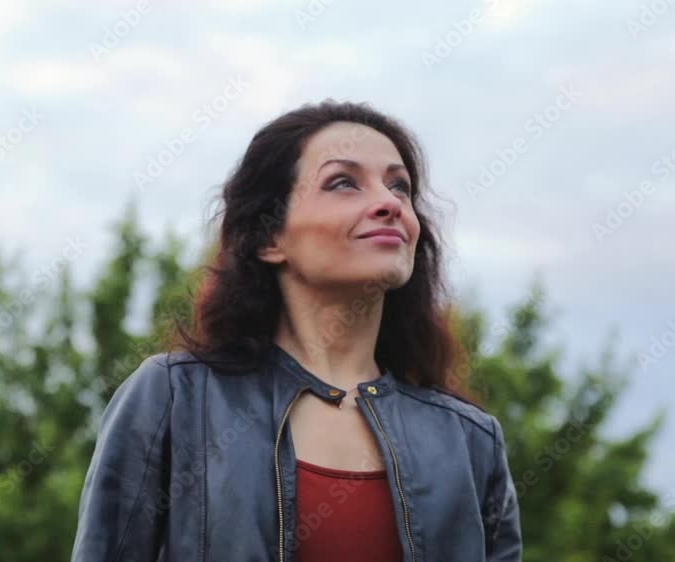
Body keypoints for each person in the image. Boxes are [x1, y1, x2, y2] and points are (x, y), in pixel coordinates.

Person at [70, 99, 522, 562]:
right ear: (270, 237)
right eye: (343, 182)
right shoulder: (174, 397)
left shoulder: (470, 440)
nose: (389, 204)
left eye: (399, 187)